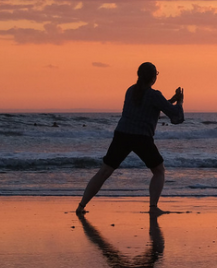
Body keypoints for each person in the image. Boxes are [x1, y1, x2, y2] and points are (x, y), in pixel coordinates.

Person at [77, 62, 184, 215]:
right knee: (159, 171)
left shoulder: (131, 91)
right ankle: (153, 207)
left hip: (122, 135)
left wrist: (171, 100)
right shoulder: (154, 95)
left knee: (104, 171)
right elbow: (176, 117)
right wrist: (179, 101)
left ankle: (81, 206)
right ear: (154, 77)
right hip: (141, 138)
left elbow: (150, 106)